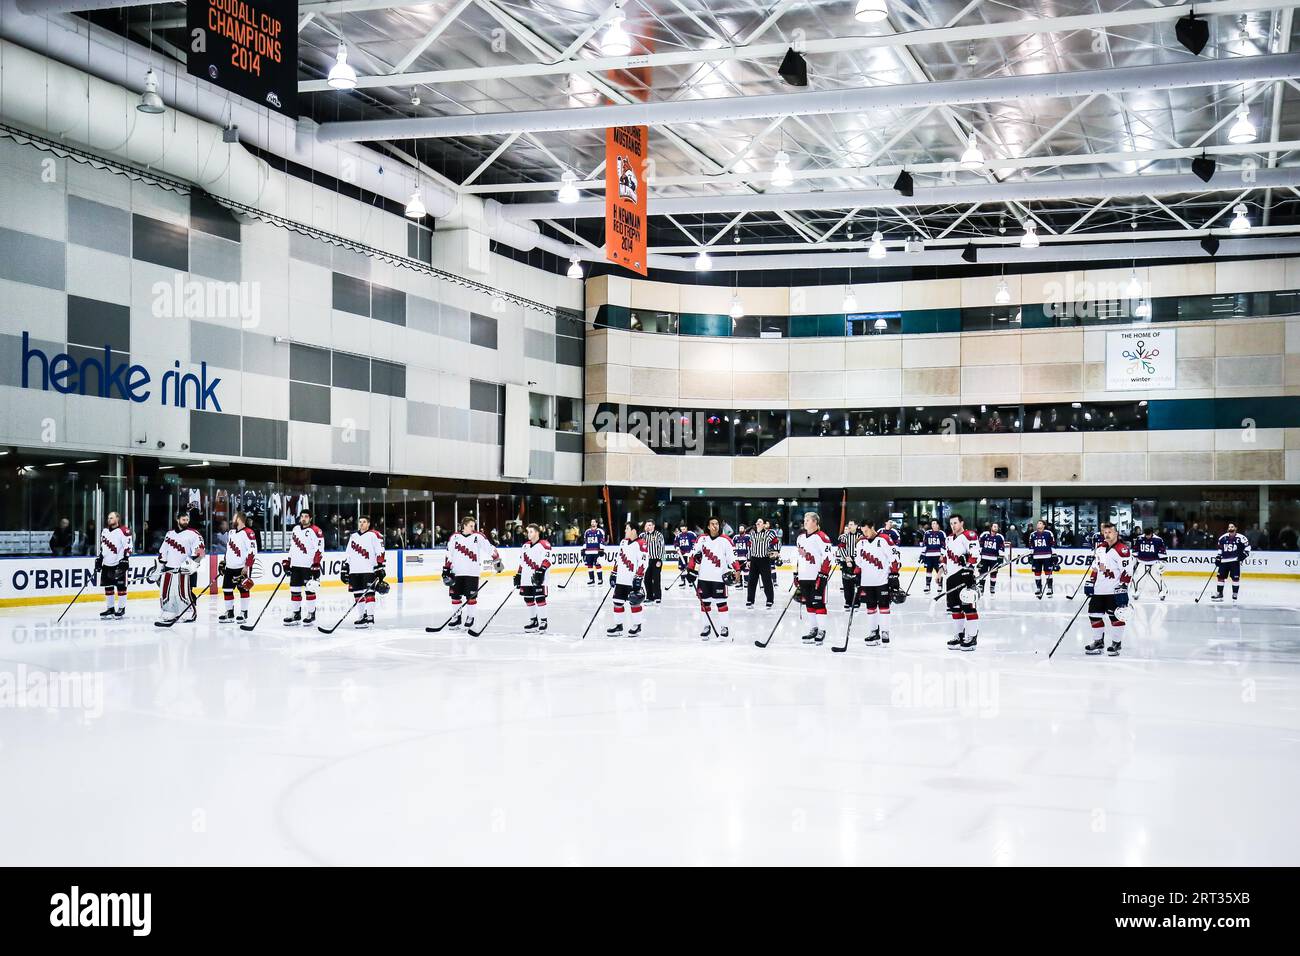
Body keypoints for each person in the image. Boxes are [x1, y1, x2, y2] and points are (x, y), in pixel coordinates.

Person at [442, 515, 503, 630]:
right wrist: (446, 569)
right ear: (464, 525)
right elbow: (449, 553)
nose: (473, 528)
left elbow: (490, 548)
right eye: (471, 526)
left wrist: (497, 563)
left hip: (472, 573)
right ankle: (457, 618)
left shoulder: (478, 536)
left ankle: (470, 617)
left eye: (473, 526)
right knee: (455, 596)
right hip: (457, 572)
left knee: (471, 597)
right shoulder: (454, 537)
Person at [685, 517, 739, 641]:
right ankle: (706, 627)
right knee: (705, 603)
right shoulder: (701, 539)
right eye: (712, 524)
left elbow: (732, 558)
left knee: (721, 603)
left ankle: (724, 627)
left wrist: (737, 570)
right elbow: (693, 555)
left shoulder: (726, 540)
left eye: (717, 524)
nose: (715, 526)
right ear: (708, 526)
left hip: (720, 578)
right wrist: (691, 570)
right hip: (704, 577)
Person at [1083, 523, 1131, 656]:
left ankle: (1116, 643)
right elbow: (1095, 568)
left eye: (1110, 532)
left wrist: (1123, 588)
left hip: (1114, 591)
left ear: (1116, 534)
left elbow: (1127, 571)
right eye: (1105, 532)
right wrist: (1091, 582)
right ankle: (1098, 642)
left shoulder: (1122, 550)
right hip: (1099, 590)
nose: (1107, 534)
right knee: (1094, 616)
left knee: (1116, 617)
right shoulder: (1100, 548)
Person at [157, 509, 205, 624]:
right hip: (169, 568)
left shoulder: (194, 534)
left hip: (184, 570)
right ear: (177, 520)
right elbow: (163, 550)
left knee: (184, 593)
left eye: (187, 520)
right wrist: (161, 563)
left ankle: (189, 612)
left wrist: (191, 565)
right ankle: (170, 612)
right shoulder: (170, 534)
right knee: (168, 593)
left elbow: (201, 552)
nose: (186, 521)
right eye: (183, 519)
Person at [854, 519, 897, 645]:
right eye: (863, 531)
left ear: (872, 527)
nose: (864, 534)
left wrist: (894, 575)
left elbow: (894, 557)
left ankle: (885, 631)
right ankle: (873, 632)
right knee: (870, 607)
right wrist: (857, 575)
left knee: (884, 606)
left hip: (882, 580)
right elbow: (858, 563)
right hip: (867, 581)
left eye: (866, 530)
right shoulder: (860, 542)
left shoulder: (884, 539)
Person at [794, 511, 833, 645]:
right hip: (804, 576)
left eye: (808, 520)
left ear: (816, 522)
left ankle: (822, 630)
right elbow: (799, 558)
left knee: (819, 604)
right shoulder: (800, 538)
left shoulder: (822, 537)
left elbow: (828, 558)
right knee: (809, 604)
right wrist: (796, 574)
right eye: (804, 519)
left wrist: (823, 576)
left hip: (817, 577)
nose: (805, 522)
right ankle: (813, 629)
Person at [943, 514, 981, 652]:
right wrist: (940, 573)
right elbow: (945, 557)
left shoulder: (969, 535)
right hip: (951, 578)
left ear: (962, 523)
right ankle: (960, 635)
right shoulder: (948, 538)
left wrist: (969, 568)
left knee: (968, 607)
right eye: (951, 523)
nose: (953, 526)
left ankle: (972, 637)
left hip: (965, 576)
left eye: (955, 523)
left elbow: (975, 553)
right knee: (955, 608)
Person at [342, 515, 386, 628]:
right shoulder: (353, 536)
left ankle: (370, 616)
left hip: (369, 570)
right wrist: (345, 567)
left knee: (370, 593)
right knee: (357, 594)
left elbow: (380, 552)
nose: (361, 524)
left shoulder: (375, 535)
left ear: (368, 524)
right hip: (354, 570)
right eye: (360, 522)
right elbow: (348, 553)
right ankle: (361, 616)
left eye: (364, 522)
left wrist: (380, 567)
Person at [606, 522, 648, 638]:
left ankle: (637, 625)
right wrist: (614, 573)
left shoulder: (641, 544)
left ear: (634, 531)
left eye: (627, 528)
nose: (625, 531)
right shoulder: (623, 542)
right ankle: (618, 626)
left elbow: (644, 562)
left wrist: (638, 577)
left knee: (635, 602)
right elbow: (618, 559)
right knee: (617, 602)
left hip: (632, 580)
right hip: (621, 579)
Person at [284, 509, 324, 626]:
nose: (303, 518)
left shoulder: (316, 531)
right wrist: (288, 561)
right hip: (296, 565)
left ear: (310, 518)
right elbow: (292, 547)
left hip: (309, 567)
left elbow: (320, 550)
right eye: (302, 516)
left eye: (306, 516)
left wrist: (316, 565)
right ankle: (296, 614)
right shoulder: (296, 529)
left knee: (309, 590)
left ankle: (311, 614)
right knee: (295, 590)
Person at [218, 512, 258, 624]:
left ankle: (244, 613)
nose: (232, 519)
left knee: (243, 589)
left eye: (234, 517)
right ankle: (229, 613)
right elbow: (228, 549)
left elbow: (253, 551)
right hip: (230, 567)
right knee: (227, 589)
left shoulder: (249, 533)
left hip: (241, 567)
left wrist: (247, 566)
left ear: (239, 519)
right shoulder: (231, 532)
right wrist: (224, 562)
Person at [516, 523, 552, 634]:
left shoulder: (544, 544)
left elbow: (547, 560)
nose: (528, 534)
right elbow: (522, 562)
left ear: (537, 532)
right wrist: (518, 574)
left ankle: (543, 621)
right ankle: (533, 621)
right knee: (528, 599)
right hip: (526, 577)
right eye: (528, 531)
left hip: (538, 577)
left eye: (531, 531)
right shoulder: (525, 546)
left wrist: (541, 571)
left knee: (540, 598)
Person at [96, 511, 132, 619]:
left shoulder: (124, 531)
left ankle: (121, 608)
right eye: (108, 518)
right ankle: (110, 608)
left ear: (117, 519)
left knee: (121, 587)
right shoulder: (105, 531)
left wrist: (125, 559)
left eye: (111, 518)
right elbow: (103, 547)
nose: (109, 520)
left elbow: (128, 546)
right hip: (107, 563)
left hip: (118, 563)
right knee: (108, 587)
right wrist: (100, 558)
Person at [1212, 522, 1251, 602]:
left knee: (1235, 578)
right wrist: (1218, 557)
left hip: (1234, 561)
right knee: (1220, 577)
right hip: (1224, 561)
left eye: (1232, 526)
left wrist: (1244, 554)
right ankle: (1219, 593)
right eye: (1229, 527)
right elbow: (1220, 548)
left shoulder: (1241, 538)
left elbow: (1248, 547)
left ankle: (1235, 593)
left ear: (1235, 528)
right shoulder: (1223, 538)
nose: (1230, 528)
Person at [746, 518, 778, 608]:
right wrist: (748, 559)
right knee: (751, 581)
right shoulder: (752, 534)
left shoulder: (768, 534)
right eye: (757, 522)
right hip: (754, 560)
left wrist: (775, 551)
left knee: (767, 581)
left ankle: (770, 600)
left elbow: (776, 542)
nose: (757, 523)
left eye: (760, 522)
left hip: (764, 559)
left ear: (764, 524)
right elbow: (749, 548)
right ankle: (750, 600)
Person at [1131, 526, 1167, 601]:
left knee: (1157, 579)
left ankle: (1162, 593)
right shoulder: (1139, 538)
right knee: (1138, 579)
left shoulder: (1158, 540)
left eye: (1149, 535)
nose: (1147, 536)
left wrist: (1163, 562)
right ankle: (1137, 592)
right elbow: (1135, 549)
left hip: (1154, 563)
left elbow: (1162, 551)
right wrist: (1134, 560)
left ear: (1152, 533)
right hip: (1141, 562)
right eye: (1146, 535)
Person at [836, 519, 863, 610]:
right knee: (847, 583)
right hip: (846, 561)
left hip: (857, 562)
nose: (850, 526)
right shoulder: (844, 536)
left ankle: (856, 601)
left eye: (852, 524)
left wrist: (859, 561)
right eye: (849, 525)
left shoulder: (861, 536)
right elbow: (841, 548)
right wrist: (847, 559)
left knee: (857, 582)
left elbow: (863, 549)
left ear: (856, 526)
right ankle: (848, 601)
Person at [1029, 519, 1057, 598]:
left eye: (1040, 523)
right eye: (1038, 523)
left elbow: (1053, 544)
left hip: (1047, 556)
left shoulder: (1048, 533)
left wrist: (1054, 555)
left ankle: (1049, 588)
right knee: (1037, 573)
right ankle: (1038, 588)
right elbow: (1031, 545)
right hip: (1036, 557)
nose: (1038, 525)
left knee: (1048, 572)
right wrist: (1031, 555)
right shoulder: (1032, 534)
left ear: (1044, 525)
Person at [977, 522, 1007, 594]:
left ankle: (992, 587)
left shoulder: (1000, 537)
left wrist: (1000, 558)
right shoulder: (984, 534)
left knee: (993, 573)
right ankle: (981, 586)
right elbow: (979, 545)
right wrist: (978, 556)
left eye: (997, 527)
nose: (995, 528)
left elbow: (1002, 548)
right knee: (982, 573)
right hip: (984, 558)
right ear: (991, 527)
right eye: (994, 526)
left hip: (994, 559)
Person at [641, 519, 665, 604]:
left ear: (653, 526)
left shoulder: (659, 535)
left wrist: (660, 559)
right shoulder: (643, 535)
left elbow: (662, 547)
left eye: (650, 525)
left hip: (656, 560)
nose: (648, 527)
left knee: (656, 579)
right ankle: (649, 597)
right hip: (647, 560)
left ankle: (657, 597)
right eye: (647, 525)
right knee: (647, 579)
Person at [920, 519, 945, 594]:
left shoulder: (941, 533)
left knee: (938, 571)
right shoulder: (927, 533)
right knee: (928, 571)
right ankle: (928, 585)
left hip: (937, 556)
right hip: (929, 556)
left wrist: (942, 555)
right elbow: (925, 544)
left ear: (938, 525)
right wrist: (922, 555)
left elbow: (944, 545)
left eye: (934, 523)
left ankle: (940, 585)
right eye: (932, 524)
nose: (933, 525)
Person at [582, 519, 607, 586]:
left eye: (594, 522)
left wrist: (601, 550)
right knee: (589, 566)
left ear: (596, 523)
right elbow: (585, 541)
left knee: (597, 565)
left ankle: (600, 579)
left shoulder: (600, 531)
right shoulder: (587, 531)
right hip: (588, 552)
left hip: (596, 552)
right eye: (591, 522)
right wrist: (583, 550)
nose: (592, 523)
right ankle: (592, 579)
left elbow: (602, 541)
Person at [674, 524, 697, 588]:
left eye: (684, 529)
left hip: (690, 555)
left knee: (690, 568)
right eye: (681, 529)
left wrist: (691, 551)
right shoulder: (678, 535)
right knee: (682, 569)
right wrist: (677, 548)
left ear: (686, 528)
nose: (683, 531)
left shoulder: (691, 534)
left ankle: (690, 581)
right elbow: (676, 543)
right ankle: (683, 581)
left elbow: (695, 543)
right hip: (682, 555)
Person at [732, 524, 751, 591]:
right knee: (738, 571)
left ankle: (746, 582)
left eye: (742, 528)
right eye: (740, 528)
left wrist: (749, 558)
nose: (740, 529)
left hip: (745, 558)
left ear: (745, 530)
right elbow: (732, 547)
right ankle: (739, 583)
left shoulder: (748, 537)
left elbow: (750, 547)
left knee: (746, 571)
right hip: (737, 558)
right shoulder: (735, 537)